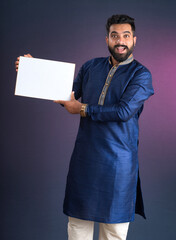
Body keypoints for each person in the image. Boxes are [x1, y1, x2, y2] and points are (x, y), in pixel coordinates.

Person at [15, 14, 154, 240]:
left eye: (126, 36)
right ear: (107, 39)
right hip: (86, 159)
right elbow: (65, 94)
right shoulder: (91, 66)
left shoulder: (141, 74)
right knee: (78, 227)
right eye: (115, 35)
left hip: (119, 164)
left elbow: (123, 111)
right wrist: (31, 71)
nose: (120, 41)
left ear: (134, 40)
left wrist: (83, 109)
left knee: (114, 232)